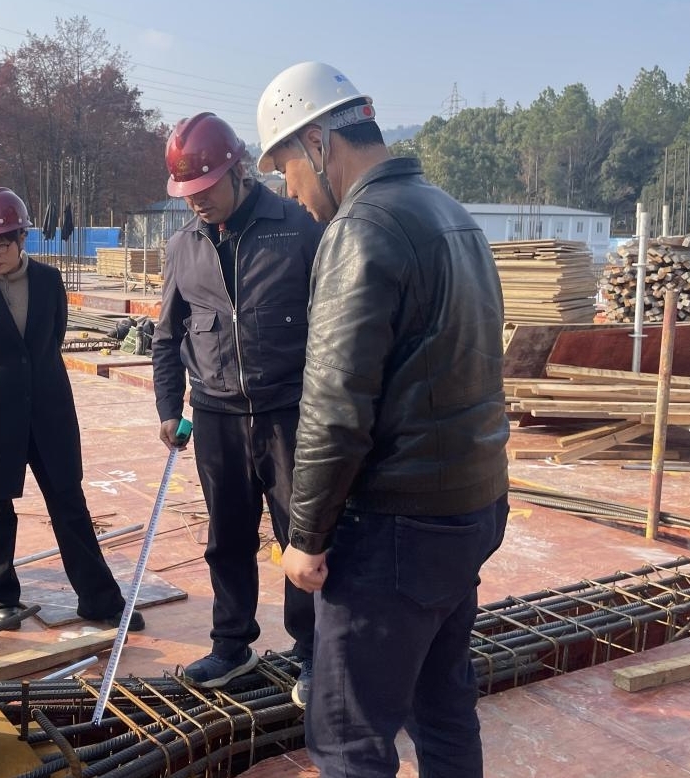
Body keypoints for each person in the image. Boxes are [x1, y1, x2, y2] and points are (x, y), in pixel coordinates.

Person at [256, 62, 509, 776]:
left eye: (286, 169)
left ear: (317, 142)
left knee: (348, 740)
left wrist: (305, 538)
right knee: (443, 708)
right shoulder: (450, 213)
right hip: (468, 510)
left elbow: (336, 405)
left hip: (395, 532)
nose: (291, 194)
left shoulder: (362, 228)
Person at [151, 112, 324, 691]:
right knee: (226, 536)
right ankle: (231, 646)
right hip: (216, 417)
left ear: (238, 171)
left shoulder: (298, 227)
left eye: (205, 186)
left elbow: (334, 324)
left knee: (301, 533)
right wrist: (168, 408)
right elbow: (167, 336)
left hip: (288, 415)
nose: (196, 200)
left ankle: (313, 649)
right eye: (187, 191)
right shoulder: (183, 246)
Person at [0, 187, 143, 633]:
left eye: (2, 243)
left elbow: (51, 340)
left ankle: (100, 599)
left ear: (22, 238)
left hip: (50, 413)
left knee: (69, 504)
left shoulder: (50, 282)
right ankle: (1, 598)